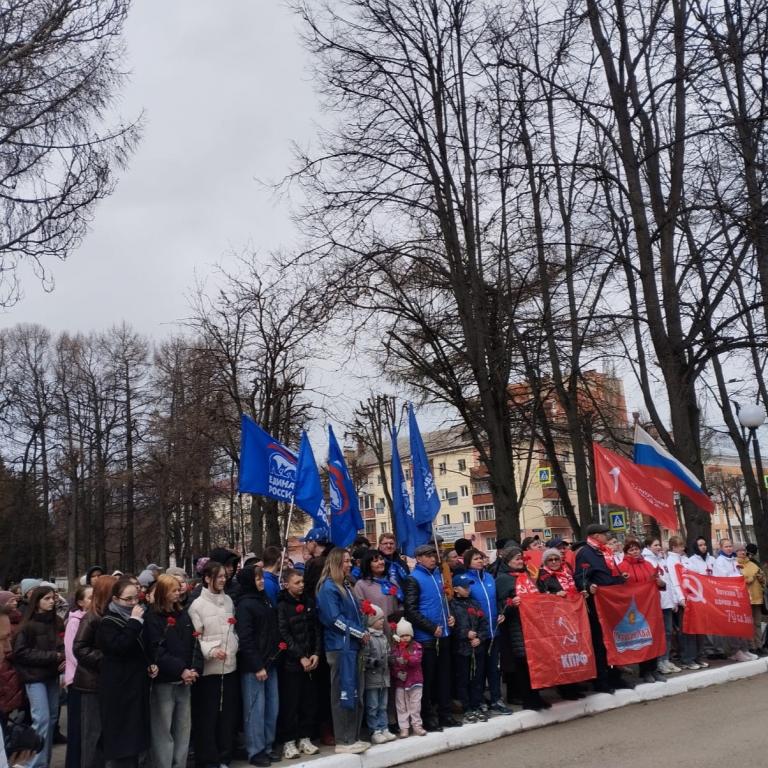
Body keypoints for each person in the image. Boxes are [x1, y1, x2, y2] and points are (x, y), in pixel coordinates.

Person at [315, 548, 370, 755]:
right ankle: (344, 740)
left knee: (355, 693)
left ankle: (353, 736)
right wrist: (359, 632)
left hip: (352, 646)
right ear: (336, 563)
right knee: (343, 694)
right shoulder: (328, 588)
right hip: (340, 648)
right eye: (346, 561)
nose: (349, 565)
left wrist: (363, 629)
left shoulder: (345, 585)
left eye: (350, 561)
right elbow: (334, 619)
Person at [98, 576, 156, 768]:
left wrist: (150, 663)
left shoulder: (139, 617)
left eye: (135, 598)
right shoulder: (108, 621)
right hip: (118, 687)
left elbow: (143, 646)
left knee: (135, 735)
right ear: (115, 599)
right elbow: (119, 646)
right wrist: (133, 622)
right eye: (128, 599)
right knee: (122, 737)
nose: (133, 603)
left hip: (136, 683)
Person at [145, 575, 201, 768]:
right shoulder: (152, 617)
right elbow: (156, 650)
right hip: (165, 681)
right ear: (163, 592)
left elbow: (194, 642)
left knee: (183, 729)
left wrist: (194, 668)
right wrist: (181, 670)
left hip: (185, 680)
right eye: (174, 590)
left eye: (179, 589)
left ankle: (180, 764)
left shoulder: (182, 614)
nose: (179, 593)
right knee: (163, 730)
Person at [188, 560, 240, 768]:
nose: (223, 580)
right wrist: (210, 650)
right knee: (208, 717)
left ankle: (225, 756)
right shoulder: (197, 606)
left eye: (224, 576)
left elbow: (233, 630)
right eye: (219, 576)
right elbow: (195, 638)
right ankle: (208, 759)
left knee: (228, 715)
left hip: (230, 666)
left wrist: (234, 645)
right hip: (209, 670)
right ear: (207, 578)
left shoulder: (228, 600)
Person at [403, 543, 459, 731]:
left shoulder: (438, 575)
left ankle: (445, 713)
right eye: (428, 556)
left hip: (444, 633)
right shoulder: (413, 579)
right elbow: (411, 610)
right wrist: (431, 627)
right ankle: (428, 717)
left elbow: (443, 602)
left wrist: (450, 616)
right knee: (427, 680)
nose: (433, 559)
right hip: (426, 638)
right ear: (418, 559)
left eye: (434, 555)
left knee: (445, 677)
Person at [575, 522, 634, 693]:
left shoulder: (605, 551)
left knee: (614, 640)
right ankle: (601, 680)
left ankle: (615, 677)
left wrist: (620, 578)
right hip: (597, 603)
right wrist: (588, 586)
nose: (608, 536)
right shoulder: (585, 553)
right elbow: (579, 577)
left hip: (611, 602)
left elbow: (609, 574)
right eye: (604, 533)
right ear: (595, 536)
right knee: (600, 642)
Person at [11, 585, 64, 768]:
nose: (51, 602)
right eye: (46, 598)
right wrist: (53, 656)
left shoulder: (56, 622)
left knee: (52, 719)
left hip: (52, 675)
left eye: (53, 598)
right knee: (41, 719)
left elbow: (62, 645)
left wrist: (63, 657)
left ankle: (43, 761)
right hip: (34, 677)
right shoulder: (27, 625)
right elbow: (20, 652)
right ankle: (35, 764)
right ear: (37, 601)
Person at [236, 563, 280, 768]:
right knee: (255, 710)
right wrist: (256, 665)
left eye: (262, 577)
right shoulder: (244, 605)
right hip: (254, 667)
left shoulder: (265, 600)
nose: (261, 581)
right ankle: (256, 750)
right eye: (257, 578)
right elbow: (245, 638)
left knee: (272, 707)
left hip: (270, 662)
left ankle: (268, 746)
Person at [495, 547, 548, 710]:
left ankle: (536, 696)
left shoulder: (527, 575)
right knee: (523, 663)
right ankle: (528, 699)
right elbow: (501, 605)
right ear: (508, 561)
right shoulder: (503, 579)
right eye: (517, 559)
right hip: (516, 626)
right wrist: (511, 604)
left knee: (535, 663)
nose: (520, 561)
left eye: (521, 558)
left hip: (533, 624)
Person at [276, 569, 320, 759]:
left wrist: (316, 653)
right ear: (286, 584)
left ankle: (305, 737)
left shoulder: (309, 602)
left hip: (311, 660)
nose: (301, 585)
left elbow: (316, 629)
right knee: (291, 703)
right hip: (292, 664)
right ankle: (288, 741)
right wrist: (300, 656)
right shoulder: (282, 606)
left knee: (308, 701)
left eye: (302, 582)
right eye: (297, 583)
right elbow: (284, 633)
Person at [73, 574, 117, 768]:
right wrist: (106, 659)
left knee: (107, 735)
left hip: (108, 682)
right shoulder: (91, 618)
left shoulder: (110, 616)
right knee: (92, 735)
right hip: (92, 684)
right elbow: (79, 648)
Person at [463, 547, 510, 714]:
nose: (480, 561)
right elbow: (463, 606)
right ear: (468, 562)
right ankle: (479, 700)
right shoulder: (465, 579)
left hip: (494, 631)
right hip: (478, 634)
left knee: (494, 668)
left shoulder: (489, 577)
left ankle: (496, 699)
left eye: (481, 558)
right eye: (476, 559)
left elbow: (496, 600)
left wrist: (501, 613)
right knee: (478, 670)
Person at [618, 539, 668, 684]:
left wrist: (661, 583)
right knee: (642, 640)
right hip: (635, 609)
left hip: (651, 607)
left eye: (636, 549)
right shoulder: (622, 567)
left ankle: (654, 669)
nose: (635, 552)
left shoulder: (648, 564)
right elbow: (619, 587)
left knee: (654, 638)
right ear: (626, 552)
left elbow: (658, 583)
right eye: (631, 550)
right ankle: (645, 671)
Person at [450, 573, 489, 722]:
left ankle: (476, 705)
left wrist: (480, 637)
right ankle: (467, 708)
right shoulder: (451, 605)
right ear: (455, 589)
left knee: (477, 679)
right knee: (463, 679)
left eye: (468, 586)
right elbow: (452, 628)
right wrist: (465, 634)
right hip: (462, 650)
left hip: (477, 648)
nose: (468, 589)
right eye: (464, 587)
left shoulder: (475, 603)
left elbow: (484, 623)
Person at [642, 537, 681, 675]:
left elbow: (669, 581)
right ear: (648, 546)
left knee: (668, 632)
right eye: (655, 545)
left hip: (667, 601)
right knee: (658, 633)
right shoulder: (646, 561)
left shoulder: (662, 560)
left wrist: (674, 599)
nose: (659, 547)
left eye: (659, 545)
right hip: (656, 603)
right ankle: (658, 661)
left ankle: (665, 659)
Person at [63, 585, 92, 768]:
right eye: (90, 597)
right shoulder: (74, 621)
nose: (93, 600)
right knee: (77, 726)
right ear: (81, 602)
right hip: (77, 679)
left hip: (88, 679)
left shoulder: (92, 618)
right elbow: (72, 651)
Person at [362, 605, 396, 743]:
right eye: (379, 619)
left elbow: (388, 653)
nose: (382, 621)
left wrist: (392, 658)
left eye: (383, 618)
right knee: (373, 705)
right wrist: (374, 663)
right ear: (371, 620)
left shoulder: (383, 637)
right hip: (372, 678)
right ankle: (374, 730)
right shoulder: (368, 638)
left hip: (384, 677)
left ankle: (384, 728)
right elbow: (364, 658)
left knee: (383, 705)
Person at [389, 618, 424, 738]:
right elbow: (393, 665)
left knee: (415, 705)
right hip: (401, 683)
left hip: (415, 681)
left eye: (407, 635)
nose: (405, 638)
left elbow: (416, 660)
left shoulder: (416, 646)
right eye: (402, 635)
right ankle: (404, 728)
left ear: (411, 635)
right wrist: (398, 673)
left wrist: (407, 658)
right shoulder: (395, 649)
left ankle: (417, 725)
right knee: (401, 706)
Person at [352, 549, 401, 621]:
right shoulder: (361, 585)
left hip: (394, 625)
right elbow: (359, 610)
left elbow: (400, 603)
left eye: (381, 559)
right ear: (368, 565)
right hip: (375, 626)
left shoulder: (391, 581)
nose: (380, 562)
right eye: (375, 561)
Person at [736, 545, 766, 656]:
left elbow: (763, 580)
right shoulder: (735, 565)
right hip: (745, 599)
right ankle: (751, 646)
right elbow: (736, 580)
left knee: (757, 623)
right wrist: (750, 579)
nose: (742, 552)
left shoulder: (753, 564)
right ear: (736, 553)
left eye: (744, 550)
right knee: (749, 624)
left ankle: (759, 646)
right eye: (740, 551)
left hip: (757, 598)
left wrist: (761, 578)